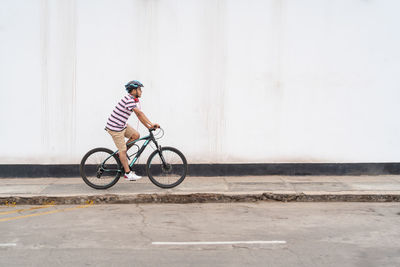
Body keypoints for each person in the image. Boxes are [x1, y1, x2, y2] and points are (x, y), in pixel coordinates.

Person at [105, 80, 160, 181]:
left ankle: (120, 155)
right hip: (115, 128)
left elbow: (139, 116)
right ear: (134, 90)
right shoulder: (129, 100)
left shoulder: (132, 99)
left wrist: (149, 127)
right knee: (123, 150)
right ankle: (127, 173)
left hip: (121, 125)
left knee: (136, 135)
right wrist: (151, 124)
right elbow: (139, 114)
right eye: (139, 89)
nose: (141, 91)